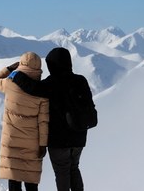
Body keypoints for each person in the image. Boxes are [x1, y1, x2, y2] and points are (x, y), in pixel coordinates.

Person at [10, 47, 94, 191]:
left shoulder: (52, 83)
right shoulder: (81, 80)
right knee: (74, 168)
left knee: (62, 171)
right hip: (79, 136)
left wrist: (16, 75)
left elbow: (32, 88)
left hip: (59, 140)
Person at [0, 52, 50, 191]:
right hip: (32, 143)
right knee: (31, 183)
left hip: (12, 141)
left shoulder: (10, 83)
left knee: (14, 180)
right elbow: (43, 122)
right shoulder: (43, 92)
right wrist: (43, 145)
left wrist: (9, 69)